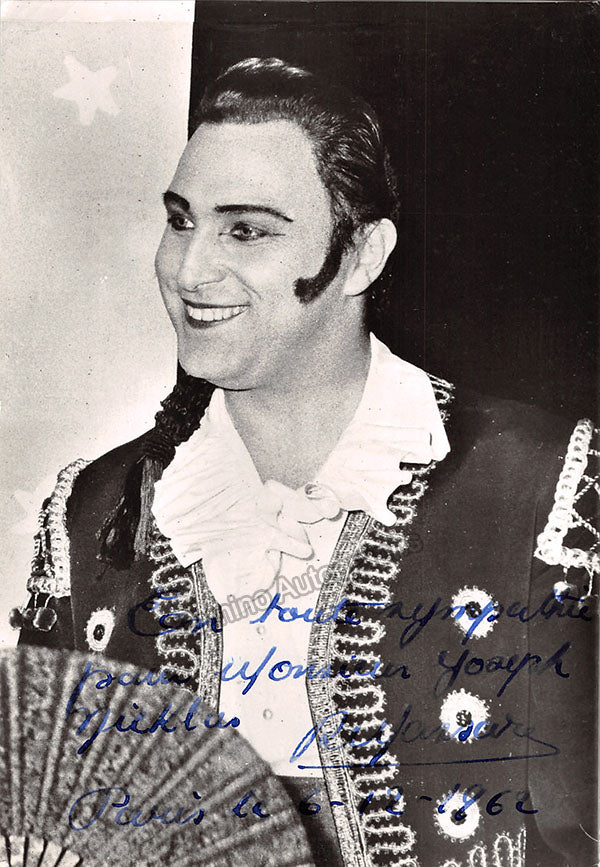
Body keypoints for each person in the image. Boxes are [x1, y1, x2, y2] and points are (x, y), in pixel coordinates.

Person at [12, 57, 597, 866]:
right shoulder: (94, 513)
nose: (188, 270)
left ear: (362, 255)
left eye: (246, 230)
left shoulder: (542, 490)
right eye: (181, 221)